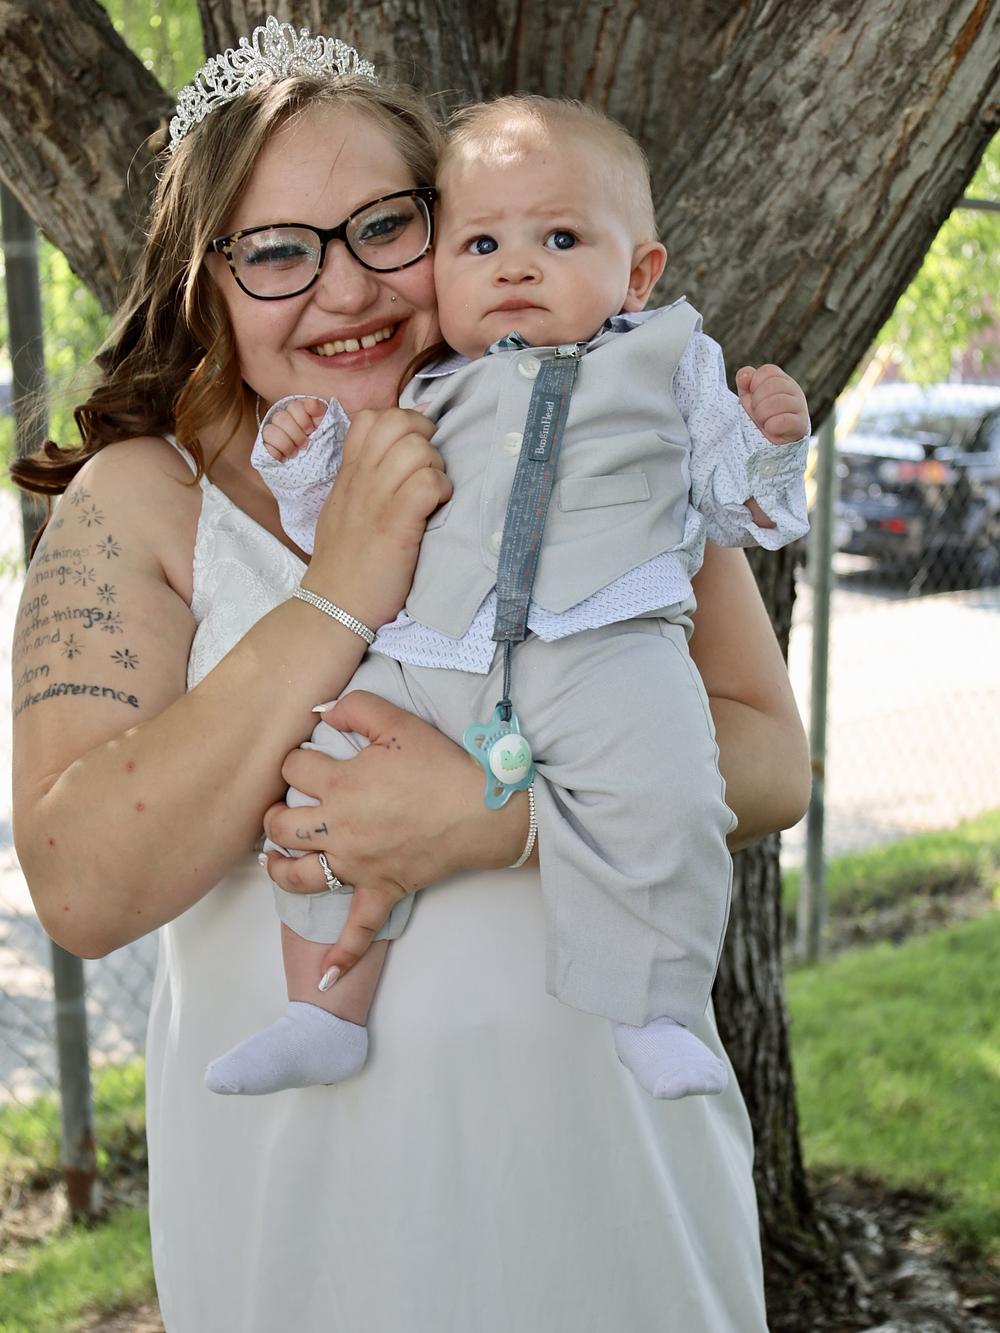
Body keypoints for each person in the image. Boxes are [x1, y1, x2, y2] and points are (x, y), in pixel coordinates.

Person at [10, 18, 809, 1333]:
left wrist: (499, 816)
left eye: (386, 227)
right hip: (320, 1231)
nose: (347, 290)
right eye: (278, 251)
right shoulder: (141, 499)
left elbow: (771, 755)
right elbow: (83, 885)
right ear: (205, 283)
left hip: (613, 1188)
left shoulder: (597, 417)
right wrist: (341, 583)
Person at [206, 94, 809, 1103]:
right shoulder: (425, 384)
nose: (515, 267)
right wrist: (307, 460)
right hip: (438, 648)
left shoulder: (670, 362)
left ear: (638, 273)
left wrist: (769, 447)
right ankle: (321, 1010)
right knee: (327, 777)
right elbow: (338, 523)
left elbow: (732, 503)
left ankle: (652, 1006)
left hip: (607, 644)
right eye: (481, 244)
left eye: (560, 239)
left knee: (668, 784)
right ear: (444, 270)